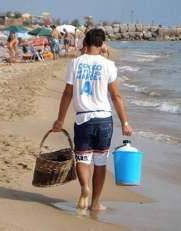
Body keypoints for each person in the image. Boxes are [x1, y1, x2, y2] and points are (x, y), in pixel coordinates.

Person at [52, 28, 132, 211]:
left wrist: (59, 120)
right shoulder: (109, 65)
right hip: (104, 119)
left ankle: (84, 188)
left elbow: (67, 93)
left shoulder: (75, 63)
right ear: (102, 44)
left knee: (82, 158)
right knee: (100, 161)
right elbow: (116, 96)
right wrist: (125, 123)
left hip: (83, 120)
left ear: (85, 43)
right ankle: (95, 202)